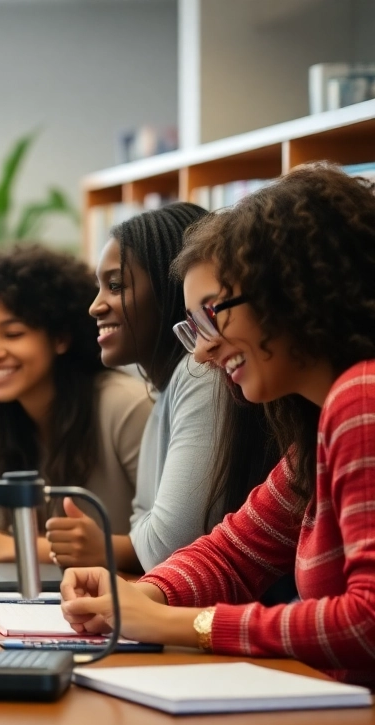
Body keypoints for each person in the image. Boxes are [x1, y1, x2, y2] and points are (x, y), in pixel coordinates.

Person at [61, 163, 375, 686]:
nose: (203, 351)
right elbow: (234, 552)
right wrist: (141, 594)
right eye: (192, 327)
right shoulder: (318, 429)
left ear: (292, 290)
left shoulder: (361, 400)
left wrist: (182, 623)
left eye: (213, 315)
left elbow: (366, 621)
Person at [0, 245, 152, 570]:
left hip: (123, 600)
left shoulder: (125, 405)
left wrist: (12, 547)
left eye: (13, 333)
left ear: (60, 337)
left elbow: (175, 547)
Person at [87, 202, 236, 571]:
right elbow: (141, 526)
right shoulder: (166, 387)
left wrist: (129, 540)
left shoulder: (200, 374)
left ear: (172, 288)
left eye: (116, 286)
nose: (95, 306)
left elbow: (165, 549)